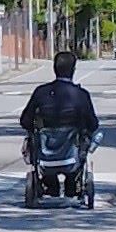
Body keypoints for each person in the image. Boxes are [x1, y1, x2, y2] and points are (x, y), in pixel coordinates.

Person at [20, 51, 100, 196]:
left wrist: (37, 128)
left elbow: (25, 121)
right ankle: (72, 184)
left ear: (54, 69)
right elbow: (93, 124)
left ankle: (50, 185)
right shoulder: (81, 95)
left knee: (35, 141)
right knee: (88, 138)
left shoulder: (41, 92)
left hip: (44, 154)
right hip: (72, 154)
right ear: (73, 70)